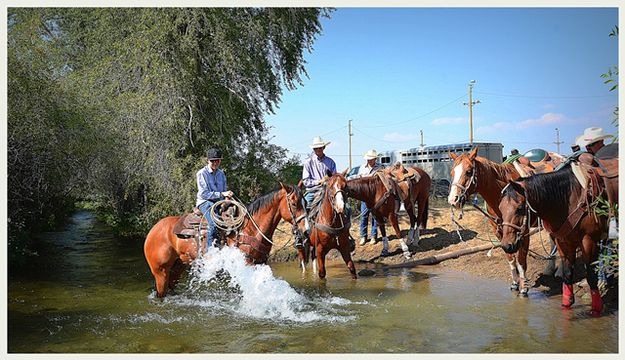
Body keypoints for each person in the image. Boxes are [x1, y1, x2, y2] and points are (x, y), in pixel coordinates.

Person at [196, 148, 234, 248]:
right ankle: (211, 251)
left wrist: (227, 198)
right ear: (208, 161)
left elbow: (224, 190)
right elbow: (204, 193)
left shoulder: (221, 174)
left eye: (217, 160)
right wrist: (222, 194)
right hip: (205, 201)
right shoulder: (202, 173)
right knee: (214, 223)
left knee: (238, 215)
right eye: (213, 161)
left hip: (218, 202)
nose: (215, 163)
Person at [356, 149, 381, 245]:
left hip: (375, 197)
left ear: (375, 159)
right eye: (368, 159)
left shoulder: (380, 167)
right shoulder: (362, 168)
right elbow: (359, 180)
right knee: (364, 216)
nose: (369, 160)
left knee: (375, 216)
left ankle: (374, 236)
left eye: (371, 159)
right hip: (365, 196)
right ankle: (363, 236)